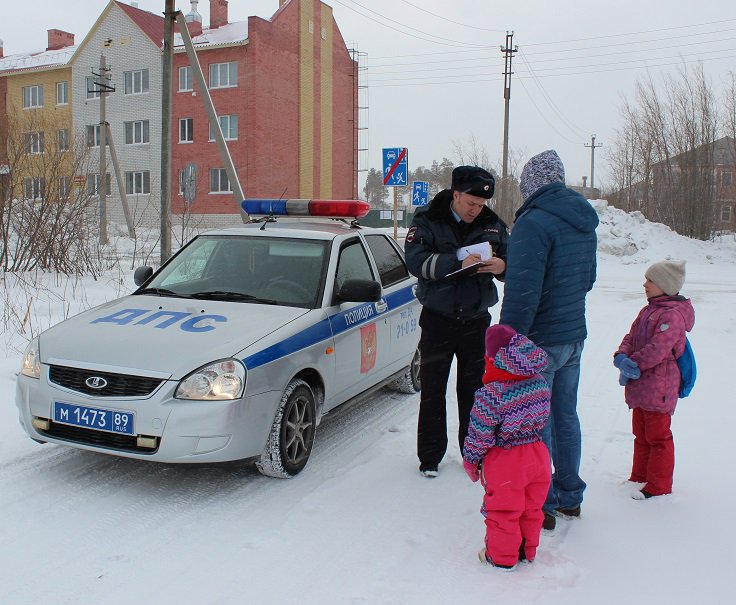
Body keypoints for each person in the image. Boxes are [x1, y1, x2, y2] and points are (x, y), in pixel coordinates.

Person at [498, 150, 598, 530]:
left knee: (536, 422)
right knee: (565, 416)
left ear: (531, 184)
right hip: (573, 335)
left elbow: (523, 293)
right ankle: (570, 493)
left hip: (540, 342)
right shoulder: (583, 221)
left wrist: (508, 343)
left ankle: (544, 502)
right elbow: (588, 279)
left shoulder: (533, 223)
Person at [405, 165, 508, 478]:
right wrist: (456, 261)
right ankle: (430, 457)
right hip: (438, 319)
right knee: (433, 389)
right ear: (456, 194)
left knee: (475, 392)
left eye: (481, 205)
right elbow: (415, 260)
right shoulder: (428, 219)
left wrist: (502, 265)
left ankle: (473, 453)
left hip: (476, 321)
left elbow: (513, 260)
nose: (476, 211)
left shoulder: (493, 224)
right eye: (470, 204)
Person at [463, 324, 551, 570]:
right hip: (538, 455)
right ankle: (526, 551)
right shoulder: (540, 383)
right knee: (531, 508)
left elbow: (479, 435)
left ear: (491, 360)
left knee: (503, 511)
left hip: (506, 461)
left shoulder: (491, 394)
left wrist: (471, 461)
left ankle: (501, 558)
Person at [613, 260, 695, 499]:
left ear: (665, 285)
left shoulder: (672, 315)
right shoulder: (648, 310)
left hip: (660, 384)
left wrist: (633, 364)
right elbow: (630, 335)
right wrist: (621, 355)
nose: (645, 284)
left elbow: (657, 349)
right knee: (641, 434)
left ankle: (658, 486)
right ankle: (639, 476)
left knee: (658, 436)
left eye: (650, 280)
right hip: (641, 385)